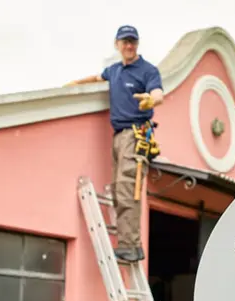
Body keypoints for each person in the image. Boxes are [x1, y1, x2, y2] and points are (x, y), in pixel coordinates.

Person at [65, 25, 164, 262]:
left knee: (127, 189)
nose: (129, 46)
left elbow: (158, 94)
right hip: (119, 136)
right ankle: (130, 244)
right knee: (120, 190)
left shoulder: (148, 71)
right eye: (125, 41)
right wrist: (75, 84)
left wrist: (151, 100)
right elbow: (97, 78)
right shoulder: (114, 70)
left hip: (135, 135)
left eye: (132, 42)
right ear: (117, 44)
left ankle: (130, 246)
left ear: (137, 44)